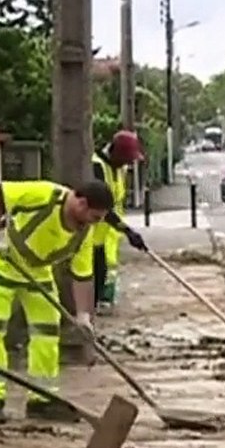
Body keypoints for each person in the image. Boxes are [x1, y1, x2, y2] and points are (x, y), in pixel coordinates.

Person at [0, 179, 147, 424]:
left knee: (46, 333)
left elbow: (82, 275)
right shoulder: (44, 195)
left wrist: (84, 316)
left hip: (37, 271)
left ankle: (41, 398)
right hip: (2, 265)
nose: (95, 223)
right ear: (81, 202)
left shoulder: (84, 231)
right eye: (95, 216)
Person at [91, 130, 145, 314]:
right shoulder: (96, 167)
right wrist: (128, 231)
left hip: (107, 235)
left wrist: (125, 231)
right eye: (126, 159)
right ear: (114, 153)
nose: (129, 163)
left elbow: (117, 203)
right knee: (91, 282)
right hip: (89, 236)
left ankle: (98, 310)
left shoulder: (120, 168)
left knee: (104, 275)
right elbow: (102, 208)